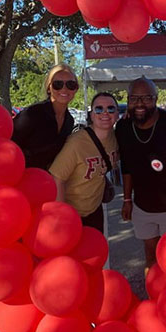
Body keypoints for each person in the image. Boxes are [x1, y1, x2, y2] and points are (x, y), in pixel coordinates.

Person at [0, 63, 79, 332]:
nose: (65, 90)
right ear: (48, 86)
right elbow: (6, 149)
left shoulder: (69, 119)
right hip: (20, 196)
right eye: (59, 84)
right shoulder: (32, 115)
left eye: (71, 84)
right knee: (15, 265)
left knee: (39, 264)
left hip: (44, 200)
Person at [116, 77, 166, 273]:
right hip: (143, 207)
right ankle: (155, 297)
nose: (140, 104)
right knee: (151, 258)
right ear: (128, 99)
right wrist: (127, 199)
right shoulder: (124, 127)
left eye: (147, 98)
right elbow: (127, 166)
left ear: (156, 99)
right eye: (134, 98)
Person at [49, 92, 119, 234]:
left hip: (94, 211)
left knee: (95, 253)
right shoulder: (77, 142)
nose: (105, 113)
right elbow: (57, 178)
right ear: (92, 115)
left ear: (117, 114)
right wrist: (62, 217)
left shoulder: (115, 138)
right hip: (72, 214)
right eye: (98, 109)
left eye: (111, 108)